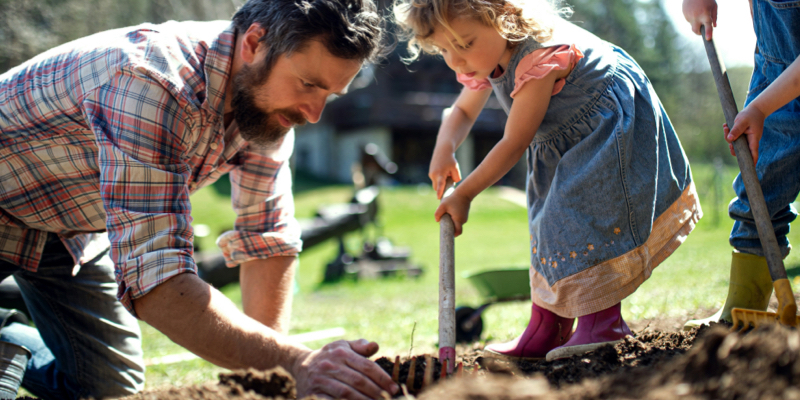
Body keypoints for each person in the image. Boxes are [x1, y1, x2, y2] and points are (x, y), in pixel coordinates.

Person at [0, 0, 400, 398]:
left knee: (111, 391)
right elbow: (157, 284)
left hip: (66, 229)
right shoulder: (150, 79)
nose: (313, 113)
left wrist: (272, 381)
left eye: (329, 94)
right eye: (308, 84)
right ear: (255, 43)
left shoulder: (267, 109)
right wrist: (298, 364)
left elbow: (266, 240)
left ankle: (7, 337)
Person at [394, 0, 701, 361]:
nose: (456, 60)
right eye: (444, 50)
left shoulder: (539, 57)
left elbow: (514, 141)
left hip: (604, 125)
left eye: (464, 44)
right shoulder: (486, 53)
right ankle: (547, 327)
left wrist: (465, 193)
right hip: (561, 138)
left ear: (503, 17)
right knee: (548, 225)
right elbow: (461, 110)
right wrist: (444, 148)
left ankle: (602, 323)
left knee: (583, 219)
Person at [682, 0, 800, 329]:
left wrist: (761, 108)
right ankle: (742, 307)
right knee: (757, 194)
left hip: (780, 90)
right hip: (776, 78)